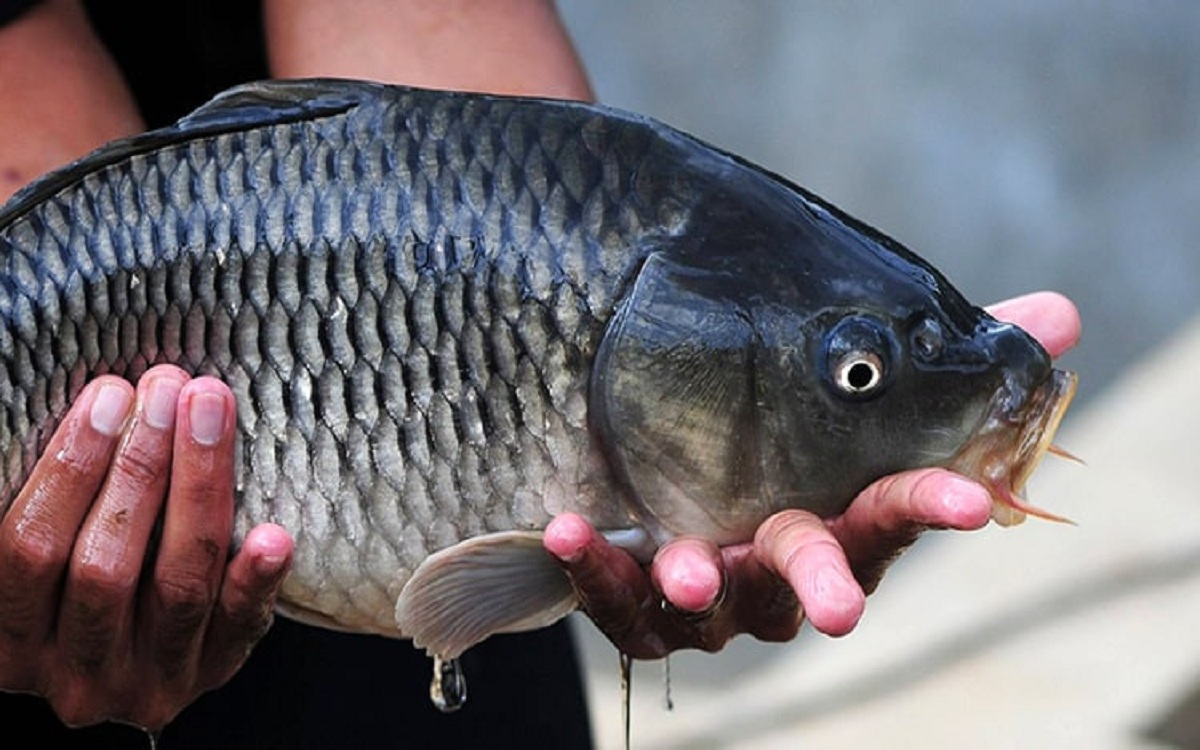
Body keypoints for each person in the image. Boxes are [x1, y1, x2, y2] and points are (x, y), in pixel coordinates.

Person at [0, 0, 1083, 747]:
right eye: (858, 372)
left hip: (452, 559)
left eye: (856, 371)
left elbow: (487, 118)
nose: (863, 378)